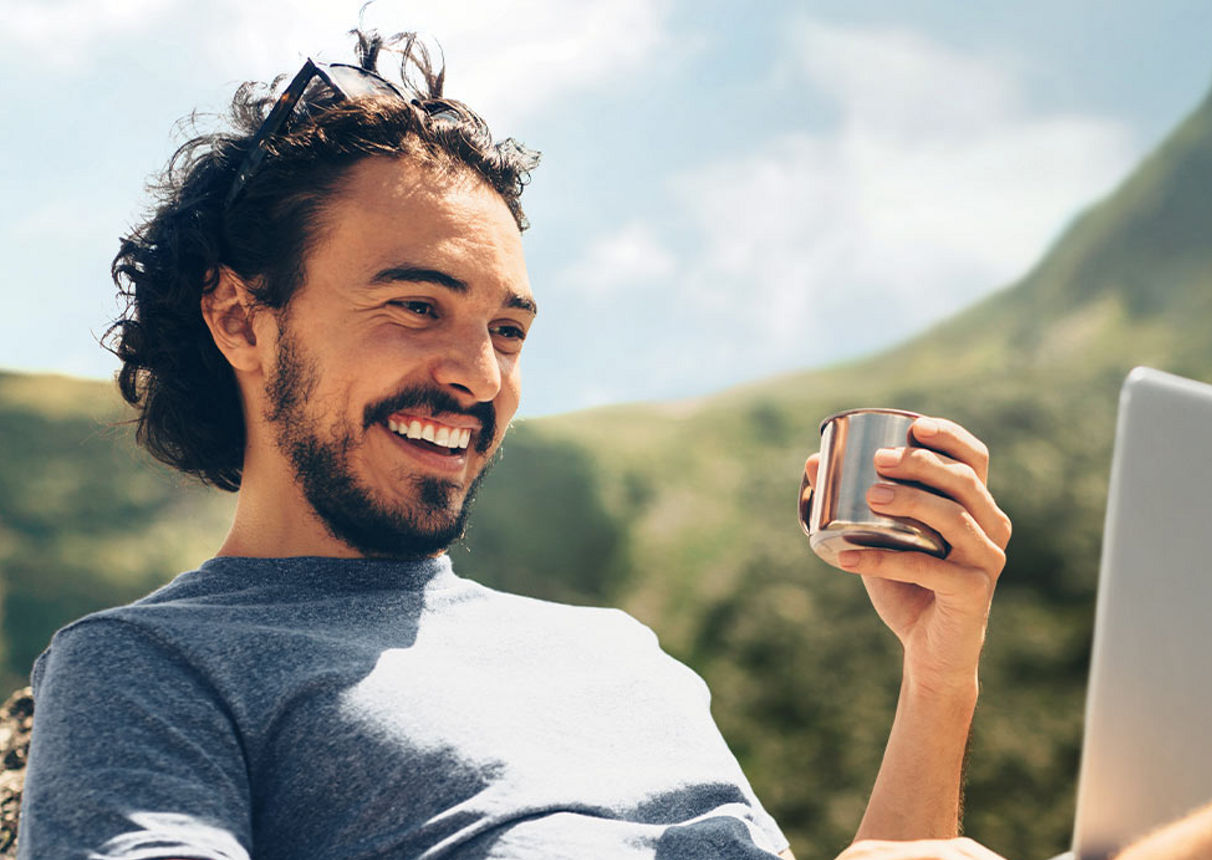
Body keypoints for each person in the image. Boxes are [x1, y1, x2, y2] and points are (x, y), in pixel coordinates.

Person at [17, 31, 1013, 860]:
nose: (480, 375)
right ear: (241, 318)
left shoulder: (622, 655)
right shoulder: (149, 666)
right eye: (417, 305)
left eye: (507, 330)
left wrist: (939, 673)